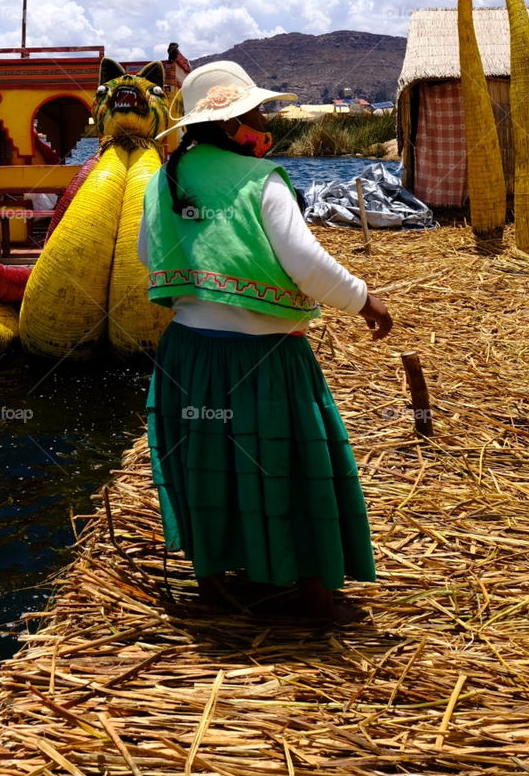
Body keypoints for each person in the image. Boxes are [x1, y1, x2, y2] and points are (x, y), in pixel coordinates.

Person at [137, 61, 392, 624]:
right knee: (291, 469)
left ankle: (214, 590)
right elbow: (305, 264)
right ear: (230, 125)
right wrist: (363, 299)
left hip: (188, 357)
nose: (263, 120)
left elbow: (146, 253)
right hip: (263, 361)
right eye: (255, 112)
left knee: (210, 465)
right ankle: (316, 605)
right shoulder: (261, 180)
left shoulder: (165, 178)